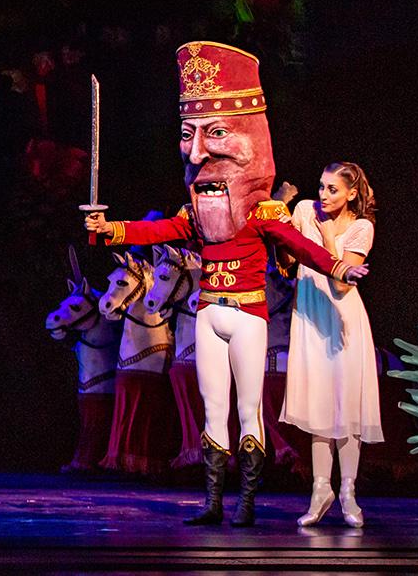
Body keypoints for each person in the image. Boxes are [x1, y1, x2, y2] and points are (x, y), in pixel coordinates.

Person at [84, 43, 367, 526]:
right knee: (214, 410)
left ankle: (246, 503)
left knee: (249, 410)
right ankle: (214, 502)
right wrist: (113, 229)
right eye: (188, 137)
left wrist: (338, 268)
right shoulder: (196, 213)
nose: (197, 153)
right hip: (209, 314)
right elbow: (157, 231)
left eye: (212, 135)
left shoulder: (263, 213)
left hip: (249, 316)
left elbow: (303, 249)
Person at [282, 162, 382, 528]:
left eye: (332, 190)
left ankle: (348, 492)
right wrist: (281, 219)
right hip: (310, 320)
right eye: (321, 187)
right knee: (319, 407)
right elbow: (289, 261)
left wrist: (324, 236)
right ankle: (320, 489)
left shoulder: (360, 227)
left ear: (352, 194)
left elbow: (341, 286)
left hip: (343, 322)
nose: (323, 196)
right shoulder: (305, 210)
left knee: (347, 409)